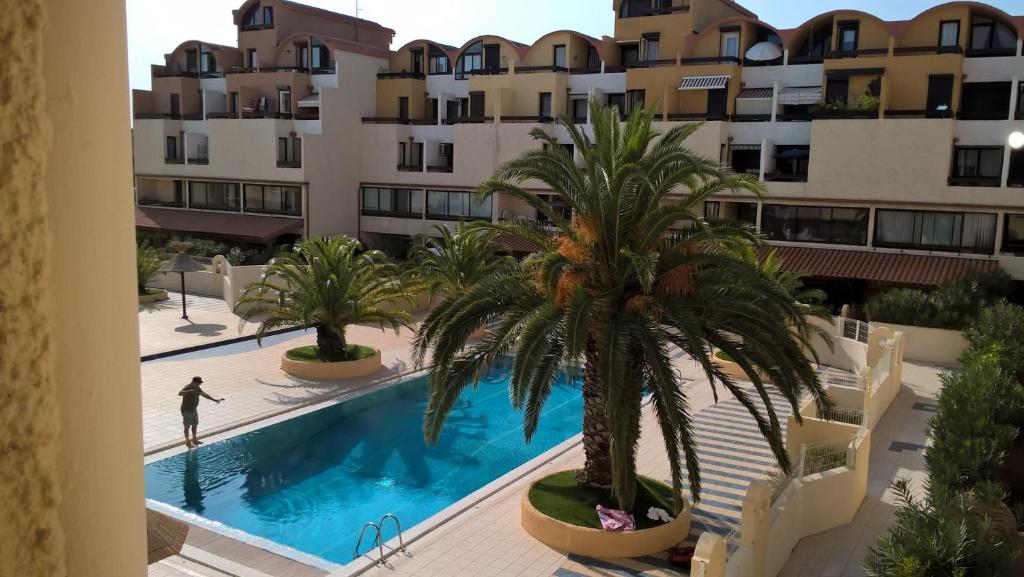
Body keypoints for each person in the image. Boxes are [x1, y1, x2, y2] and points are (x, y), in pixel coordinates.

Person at [179, 377, 224, 449]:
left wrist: (214, 400)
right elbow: (180, 393)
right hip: (187, 410)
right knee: (187, 426)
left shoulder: (197, 388)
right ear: (194, 382)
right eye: (199, 383)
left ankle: (194, 439)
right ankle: (188, 442)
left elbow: (205, 395)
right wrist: (189, 391)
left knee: (195, 424)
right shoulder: (187, 387)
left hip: (194, 410)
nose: (200, 384)